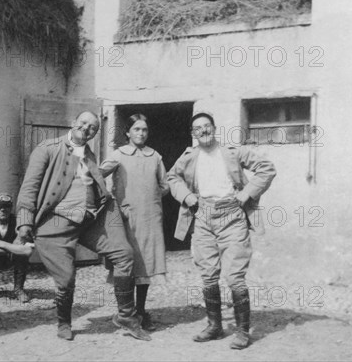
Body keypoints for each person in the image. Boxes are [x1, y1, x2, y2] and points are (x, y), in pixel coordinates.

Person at [15, 111, 151, 342]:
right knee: (66, 279)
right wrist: (24, 222)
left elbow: (95, 185)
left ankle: (127, 317)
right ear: (73, 122)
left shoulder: (89, 154)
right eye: (84, 123)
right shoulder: (47, 148)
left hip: (91, 217)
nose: (87, 128)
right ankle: (64, 322)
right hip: (55, 221)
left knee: (124, 254)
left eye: (93, 128)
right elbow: (29, 187)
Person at [167, 110, 276, 349]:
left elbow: (267, 168)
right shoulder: (189, 156)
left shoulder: (232, 152)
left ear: (214, 129)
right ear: (193, 134)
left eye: (207, 126)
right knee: (207, 274)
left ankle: (242, 331)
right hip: (203, 216)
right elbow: (171, 178)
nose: (203, 130)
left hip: (232, 215)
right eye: (198, 128)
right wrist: (186, 196)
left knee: (235, 276)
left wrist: (246, 193)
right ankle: (215, 326)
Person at [99, 114, 170, 332]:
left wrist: (151, 199)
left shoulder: (155, 156)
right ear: (128, 132)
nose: (141, 133)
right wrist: (111, 200)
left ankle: (140, 311)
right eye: (136, 129)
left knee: (146, 264)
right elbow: (97, 175)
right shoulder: (118, 155)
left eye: (144, 130)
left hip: (150, 218)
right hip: (126, 218)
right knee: (126, 263)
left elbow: (165, 185)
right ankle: (126, 312)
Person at [0, 193, 33, 303]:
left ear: (11, 208)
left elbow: (28, 250)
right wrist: (13, 247)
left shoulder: (18, 222)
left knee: (22, 257)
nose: (2, 210)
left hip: (10, 258)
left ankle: (18, 289)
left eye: (6, 206)